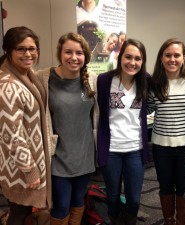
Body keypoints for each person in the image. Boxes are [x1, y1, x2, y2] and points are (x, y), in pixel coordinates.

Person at [36, 32, 98, 225]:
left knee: (79, 200)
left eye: (79, 53)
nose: (73, 57)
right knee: (61, 204)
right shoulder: (43, 78)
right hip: (58, 156)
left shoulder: (92, 78)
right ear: (60, 53)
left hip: (84, 154)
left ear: (85, 56)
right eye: (68, 52)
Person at [0, 26, 51, 225]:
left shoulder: (26, 74)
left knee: (22, 210)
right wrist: (29, 169)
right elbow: (12, 133)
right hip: (20, 166)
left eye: (33, 48)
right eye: (21, 49)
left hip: (27, 160)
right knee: (19, 213)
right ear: (9, 51)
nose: (28, 54)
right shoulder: (8, 85)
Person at [147, 38, 185, 225]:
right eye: (168, 55)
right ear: (161, 58)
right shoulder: (155, 82)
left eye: (177, 55)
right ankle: (169, 220)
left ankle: (181, 222)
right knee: (165, 186)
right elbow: (148, 109)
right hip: (161, 146)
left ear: (184, 57)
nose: (172, 59)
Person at [97, 38, 149, 225]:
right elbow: (100, 111)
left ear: (142, 62)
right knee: (112, 197)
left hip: (135, 149)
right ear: (120, 57)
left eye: (137, 58)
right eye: (128, 57)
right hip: (111, 149)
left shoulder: (145, 81)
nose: (132, 62)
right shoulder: (104, 81)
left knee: (134, 200)